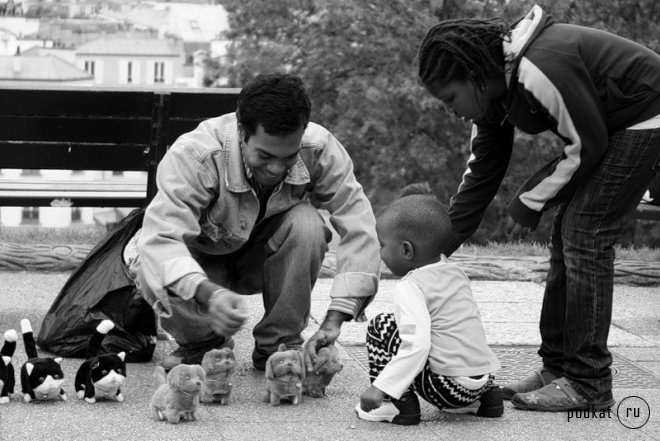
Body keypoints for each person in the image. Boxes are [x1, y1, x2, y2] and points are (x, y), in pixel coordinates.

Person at [416, 5, 660, 412]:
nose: (450, 110)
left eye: (449, 98)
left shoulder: (540, 66)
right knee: (571, 233)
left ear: (474, 75)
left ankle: (588, 383)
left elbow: (586, 145)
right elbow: (481, 175)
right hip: (614, 125)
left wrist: (530, 201)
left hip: (648, 114)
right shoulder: (493, 89)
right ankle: (558, 369)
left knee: (585, 232)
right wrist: (438, 248)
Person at [125, 73, 381, 371]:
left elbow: (359, 225)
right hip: (202, 266)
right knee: (148, 258)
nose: (276, 168)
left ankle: (280, 346)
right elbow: (161, 241)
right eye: (265, 155)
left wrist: (335, 320)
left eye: (289, 157)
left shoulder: (320, 148)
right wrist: (209, 293)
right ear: (242, 133)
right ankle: (201, 342)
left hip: (259, 260)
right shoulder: (195, 154)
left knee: (308, 224)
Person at [355, 194, 502, 425]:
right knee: (445, 329)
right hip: (481, 380)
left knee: (382, 326)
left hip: (447, 387)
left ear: (406, 250)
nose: (380, 252)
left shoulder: (411, 285)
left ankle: (397, 404)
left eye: (382, 245)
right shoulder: (454, 272)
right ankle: (489, 400)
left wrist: (380, 387)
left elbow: (417, 345)